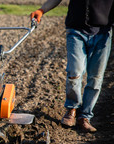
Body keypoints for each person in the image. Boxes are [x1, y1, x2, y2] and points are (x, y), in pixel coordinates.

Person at [30, 0, 113, 133]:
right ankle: (72, 109)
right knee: (75, 71)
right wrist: (42, 10)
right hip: (76, 30)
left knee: (96, 77)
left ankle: (85, 117)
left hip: (103, 34)